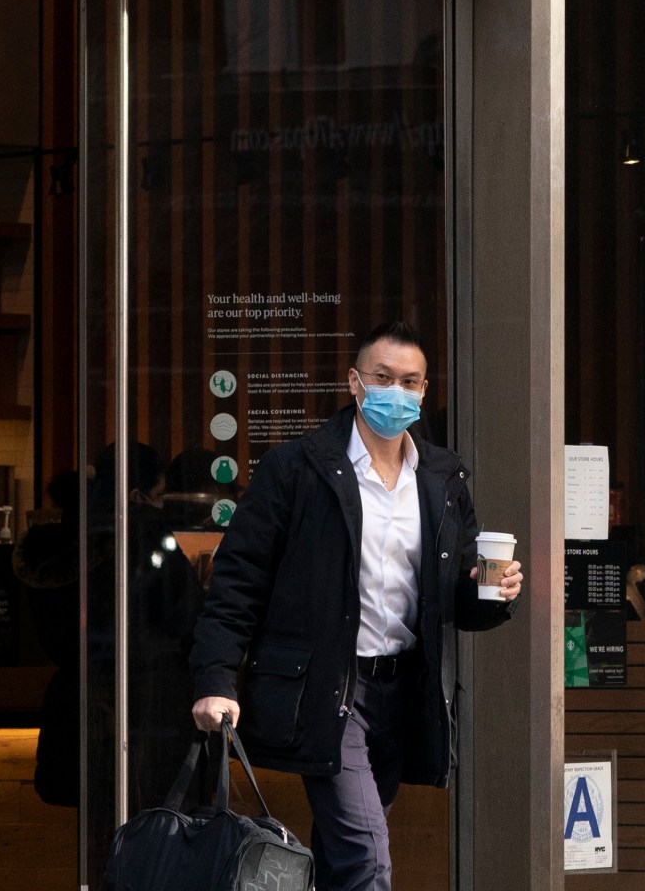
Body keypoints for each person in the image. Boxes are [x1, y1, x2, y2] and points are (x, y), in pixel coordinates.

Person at [187, 322, 523, 891]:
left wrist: (495, 593)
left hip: (401, 692)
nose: (397, 391)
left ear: (424, 390)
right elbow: (238, 583)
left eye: (410, 381)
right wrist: (215, 677)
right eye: (383, 377)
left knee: (343, 854)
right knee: (367, 855)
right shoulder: (297, 469)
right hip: (327, 690)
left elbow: (457, 598)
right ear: (355, 382)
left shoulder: (443, 478)